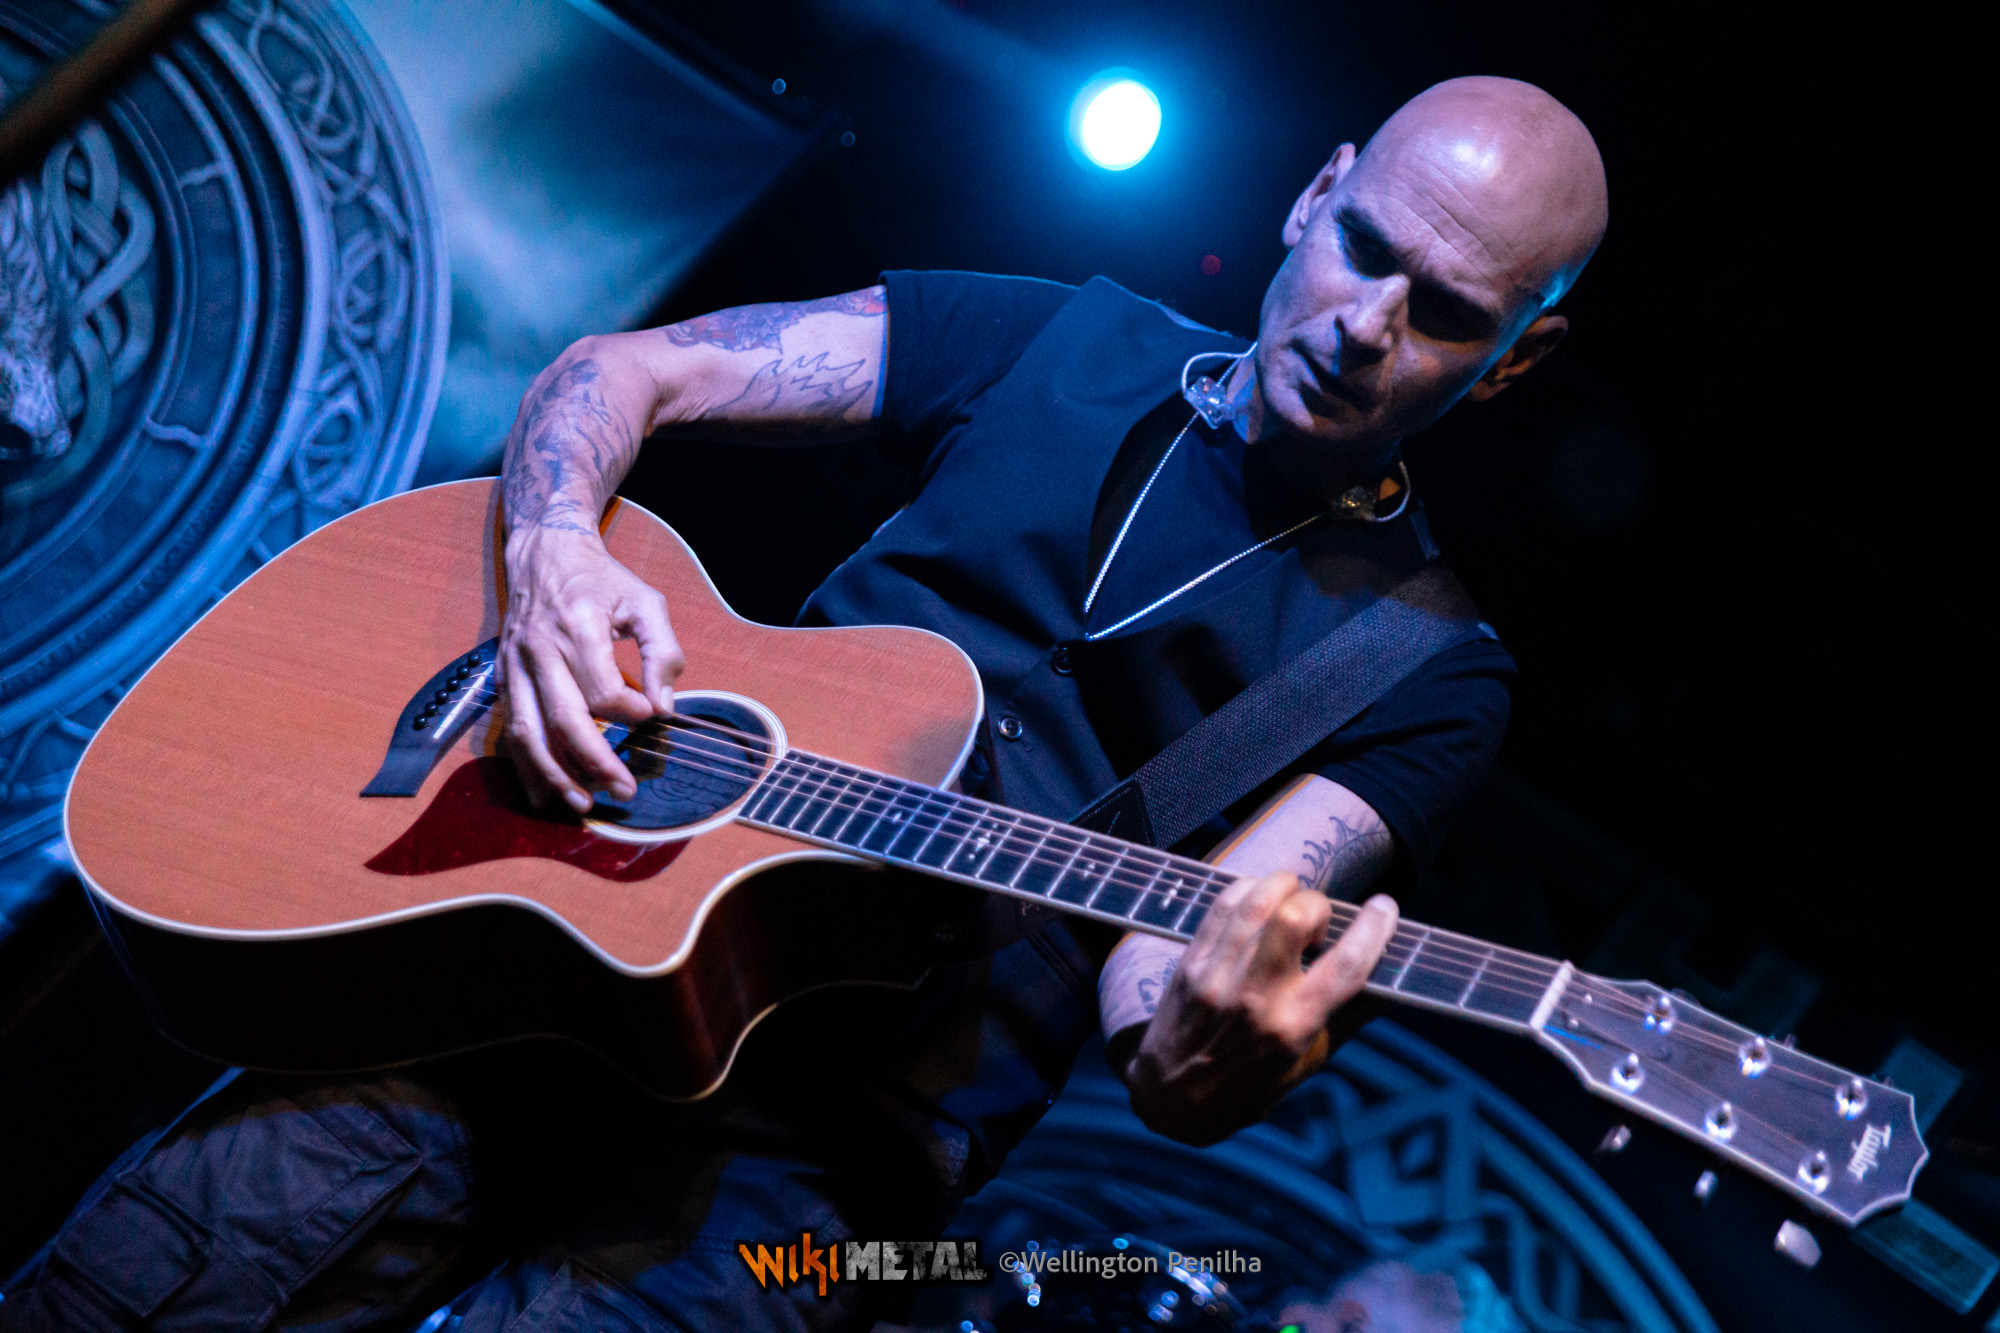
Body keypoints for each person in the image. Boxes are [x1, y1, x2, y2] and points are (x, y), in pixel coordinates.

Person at [0, 76, 1606, 1332]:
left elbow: (1174, 969)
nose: (1367, 323)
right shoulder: (1062, 336)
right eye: (1365, 247)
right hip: (541, 942)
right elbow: (626, 372)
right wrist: (553, 553)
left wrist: (1202, 1057)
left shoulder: (1427, 666)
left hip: (824, 1187)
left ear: (1519, 360)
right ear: (1315, 194)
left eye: (1447, 314)